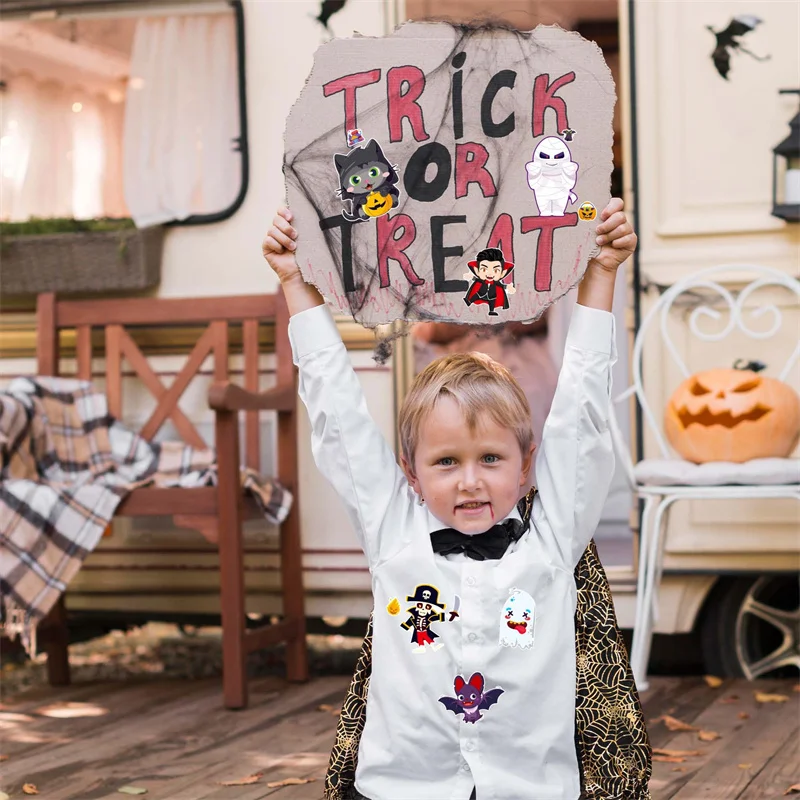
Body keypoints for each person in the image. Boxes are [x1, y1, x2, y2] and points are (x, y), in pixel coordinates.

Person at [262, 199, 644, 800]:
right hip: (404, 787)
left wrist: (603, 272)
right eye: (446, 462)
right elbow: (338, 413)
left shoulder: (553, 536)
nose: (470, 481)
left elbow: (583, 406)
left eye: (490, 459)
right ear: (410, 475)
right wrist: (295, 283)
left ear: (527, 467)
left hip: (529, 788)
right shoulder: (392, 530)